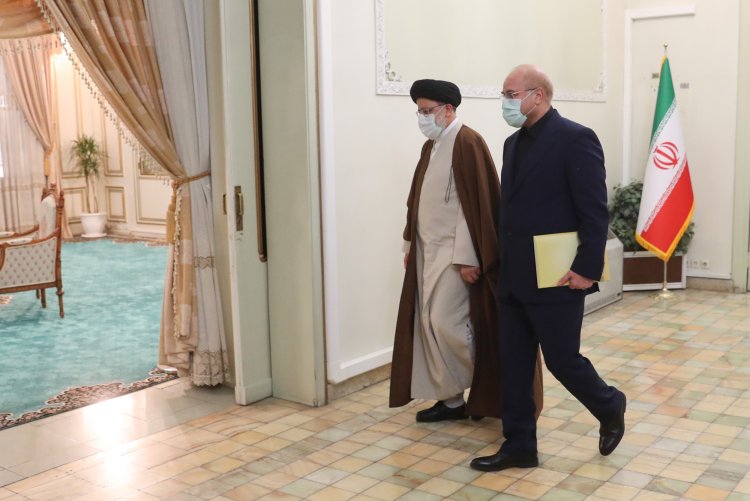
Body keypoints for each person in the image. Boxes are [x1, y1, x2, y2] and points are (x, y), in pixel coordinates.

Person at [470, 65, 626, 472]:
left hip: (558, 274)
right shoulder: (511, 144)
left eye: (511, 94)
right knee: (515, 364)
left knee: (562, 359)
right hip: (514, 276)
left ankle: (609, 404)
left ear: (537, 95)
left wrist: (587, 268)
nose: (505, 102)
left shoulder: (576, 138)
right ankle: (519, 445)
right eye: (504, 94)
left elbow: (594, 210)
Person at [389, 78, 543, 422]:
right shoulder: (431, 146)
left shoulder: (467, 141)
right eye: (419, 111)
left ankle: (489, 385)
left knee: (447, 323)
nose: (422, 117)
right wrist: (410, 245)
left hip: (455, 256)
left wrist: (469, 257)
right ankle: (452, 400)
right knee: (428, 322)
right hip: (428, 252)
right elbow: (417, 201)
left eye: (427, 111)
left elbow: (476, 206)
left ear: (448, 110)